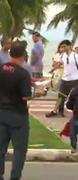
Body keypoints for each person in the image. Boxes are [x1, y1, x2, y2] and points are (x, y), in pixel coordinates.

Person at [0, 41, 44, 180]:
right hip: (18, 115)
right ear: (23, 55)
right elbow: (25, 96)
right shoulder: (22, 73)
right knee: (19, 150)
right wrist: (37, 93)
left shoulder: (1, 68)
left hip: (1, 113)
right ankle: (15, 177)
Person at [46, 40, 78, 117]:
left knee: (75, 97)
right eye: (61, 46)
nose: (62, 48)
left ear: (68, 46)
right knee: (60, 96)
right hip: (65, 79)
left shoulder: (75, 55)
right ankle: (55, 111)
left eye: (63, 46)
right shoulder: (63, 55)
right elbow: (60, 63)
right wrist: (53, 69)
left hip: (74, 79)